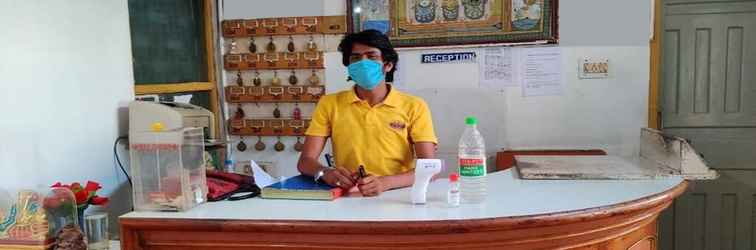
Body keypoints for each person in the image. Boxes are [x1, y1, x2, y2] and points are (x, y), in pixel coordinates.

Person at [297, 30, 438, 197]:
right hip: (348, 197)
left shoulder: (414, 106)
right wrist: (326, 173)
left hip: (399, 197)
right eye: (355, 58)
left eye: (371, 56)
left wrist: (385, 183)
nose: (363, 63)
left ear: (388, 65)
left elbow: (430, 168)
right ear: (349, 67)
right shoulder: (329, 103)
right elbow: (305, 162)